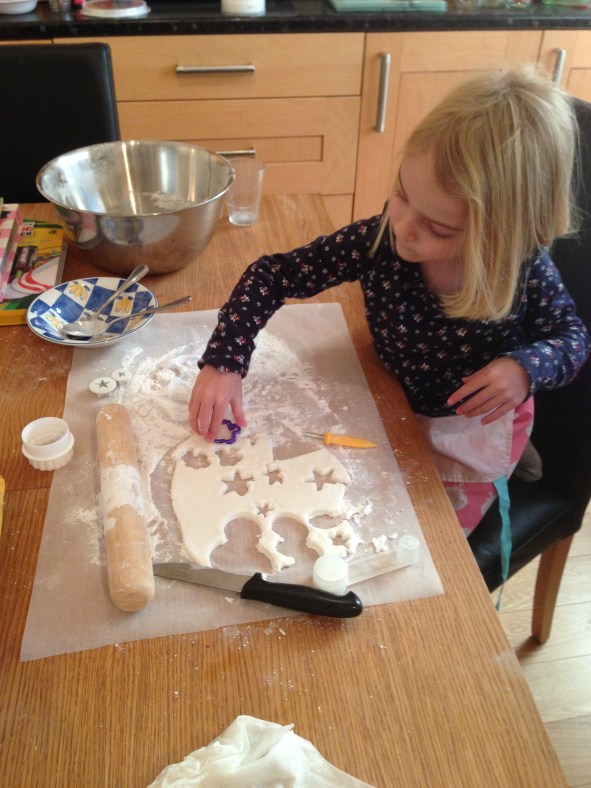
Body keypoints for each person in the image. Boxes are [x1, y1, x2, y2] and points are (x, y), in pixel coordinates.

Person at [189, 66, 590, 535]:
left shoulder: (524, 271)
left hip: (467, 429)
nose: (402, 227)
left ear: (503, 236)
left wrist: (526, 368)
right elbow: (272, 275)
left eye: (438, 228)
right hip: (391, 401)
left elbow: (572, 339)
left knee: (423, 539)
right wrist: (224, 362)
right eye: (401, 193)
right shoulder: (380, 239)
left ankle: (522, 461)